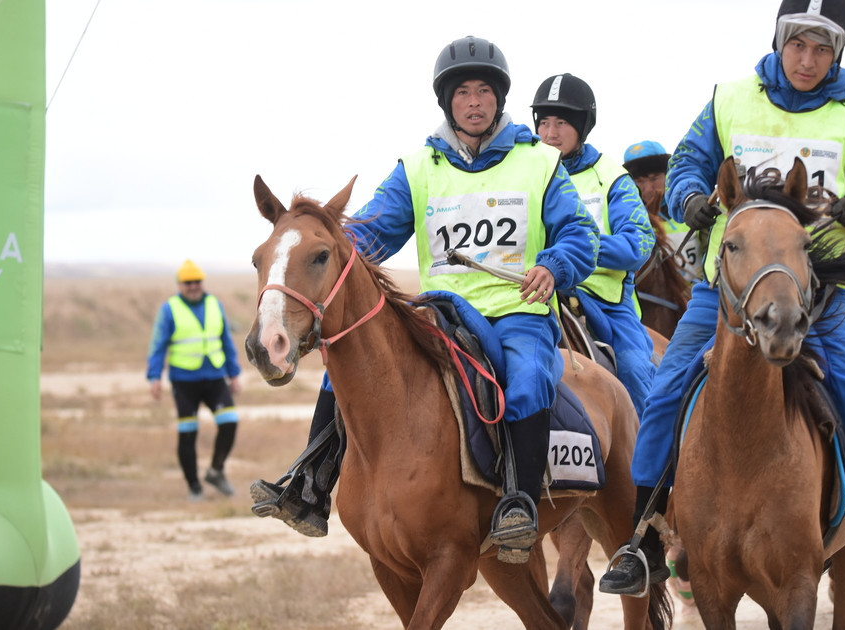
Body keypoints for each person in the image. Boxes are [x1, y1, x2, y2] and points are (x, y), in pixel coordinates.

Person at [599, 0, 845, 596]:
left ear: (837, 54)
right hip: (727, 295)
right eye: (798, 45)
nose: (808, 60)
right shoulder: (728, 99)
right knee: (666, 389)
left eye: (822, 49)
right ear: (779, 43)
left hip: (818, 295)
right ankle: (641, 540)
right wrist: (690, 197)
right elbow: (690, 162)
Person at [250, 37, 600, 559]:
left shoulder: (539, 163)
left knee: (527, 376)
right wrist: (316, 246)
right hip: (439, 309)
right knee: (349, 366)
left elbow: (579, 233)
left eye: (485, 91)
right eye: (463, 93)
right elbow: (364, 236)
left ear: (499, 100)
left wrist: (554, 264)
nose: (475, 102)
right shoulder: (418, 168)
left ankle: (519, 505)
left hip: (514, 309)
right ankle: (311, 483)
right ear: (447, 102)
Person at [532, 73, 656, 417]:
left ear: (582, 126)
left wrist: (573, 249)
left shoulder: (612, 175)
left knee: (633, 369)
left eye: (561, 123)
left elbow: (638, 244)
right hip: (535, 293)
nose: (550, 134)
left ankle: (656, 466)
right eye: (543, 122)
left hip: (609, 306)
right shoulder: (524, 170)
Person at [147, 259, 241, 501]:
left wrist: (234, 373)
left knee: (229, 421)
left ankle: (216, 471)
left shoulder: (214, 304)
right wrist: (154, 377)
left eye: (197, 281)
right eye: (188, 283)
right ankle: (194, 487)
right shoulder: (169, 309)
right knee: (188, 432)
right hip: (184, 381)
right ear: (180, 285)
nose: (193, 286)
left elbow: (226, 340)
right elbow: (158, 345)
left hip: (215, 377)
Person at [623, 140, 704, 284]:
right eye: (640, 181)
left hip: (699, 298)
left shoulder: (692, 210)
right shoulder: (626, 224)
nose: (648, 189)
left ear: (668, 175)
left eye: (654, 178)